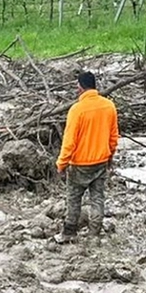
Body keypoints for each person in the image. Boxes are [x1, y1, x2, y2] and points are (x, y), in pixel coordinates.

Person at [54, 70, 120, 243]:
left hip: (80, 164)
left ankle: (69, 232)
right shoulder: (109, 106)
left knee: (74, 199)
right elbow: (114, 136)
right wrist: (110, 155)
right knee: (97, 198)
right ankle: (94, 234)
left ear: (80, 87)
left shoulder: (77, 110)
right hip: (101, 161)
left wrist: (61, 164)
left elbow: (69, 141)